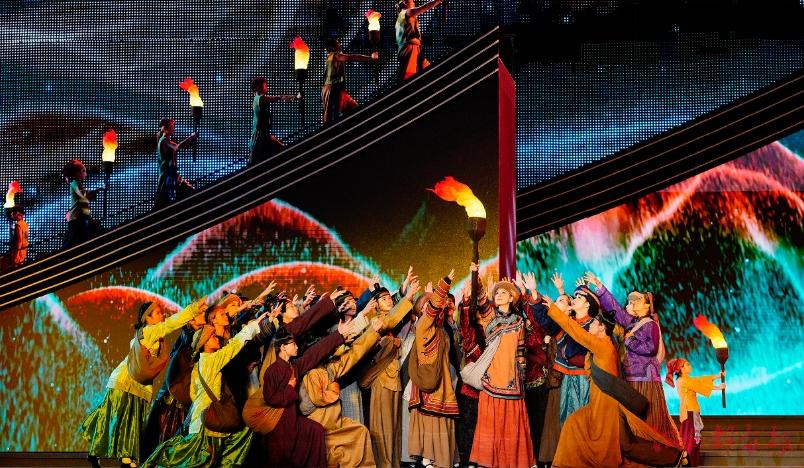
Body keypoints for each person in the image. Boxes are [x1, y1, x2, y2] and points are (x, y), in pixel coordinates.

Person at [530, 271, 683, 468]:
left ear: (601, 328)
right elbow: (614, 312)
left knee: (623, 446)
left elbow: (576, 332)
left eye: (595, 323)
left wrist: (554, 308)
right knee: (577, 424)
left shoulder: (603, 345)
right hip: (599, 404)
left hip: (607, 406)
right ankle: (562, 464)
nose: (591, 324)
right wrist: (597, 287)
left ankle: (673, 457)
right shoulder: (604, 342)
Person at [142, 305, 276, 467]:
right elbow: (235, 345)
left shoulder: (200, 363)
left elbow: (193, 393)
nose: (216, 339)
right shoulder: (211, 360)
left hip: (201, 421)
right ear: (204, 342)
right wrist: (256, 325)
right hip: (206, 426)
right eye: (212, 337)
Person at [80, 298, 207, 468]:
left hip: (137, 385)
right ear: (148, 318)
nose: (162, 315)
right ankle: (123, 457)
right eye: (158, 313)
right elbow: (171, 324)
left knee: (130, 419)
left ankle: (114, 454)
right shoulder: (149, 331)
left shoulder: (153, 336)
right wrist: (193, 309)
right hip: (125, 382)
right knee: (122, 418)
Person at [585, 272, 684, 449]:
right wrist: (599, 286)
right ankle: (642, 453)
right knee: (635, 421)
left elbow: (650, 348)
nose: (633, 303)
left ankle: (664, 452)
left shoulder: (650, 324)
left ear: (647, 306)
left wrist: (629, 340)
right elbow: (616, 310)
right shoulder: (632, 322)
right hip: (632, 378)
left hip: (645, 380)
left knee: (651, 420)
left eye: (638, 300)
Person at [468, 279, 535, 468]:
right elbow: (481, 298)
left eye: (503, 293)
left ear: (511, 298)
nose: (498, 295)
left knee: (512, 424)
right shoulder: (490, 317)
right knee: (490, 424)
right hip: (492, 378)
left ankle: (512, 462)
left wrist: (521, 376)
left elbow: (521, 351)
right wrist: (475, 275)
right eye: (496, 293)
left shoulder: (519, 321)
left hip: (512, 381)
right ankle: (487, 462)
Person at [407, 271, 459, 468]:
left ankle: (438, 459)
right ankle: (430, 459)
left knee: (441, 418)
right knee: (431, 418)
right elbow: (432, 308)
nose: (438, 306)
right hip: (430, 384)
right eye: (429, 305)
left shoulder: (440, 330)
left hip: (443, 381)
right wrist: (444, 284)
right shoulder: (423, 326)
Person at [666, 358, 726, 466]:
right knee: (690, 439)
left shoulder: (686, 379)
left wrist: (717, 376)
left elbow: (699, 380)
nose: (690, 366)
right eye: (687, 365)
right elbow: (698, 385)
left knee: (693, 439)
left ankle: (692, 463)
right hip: (689, 412)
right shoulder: (683, 381)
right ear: (681, 368)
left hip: (692, 411)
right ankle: (687, 464)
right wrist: (718, 387)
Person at [321, 38, 377, 125]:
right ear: (333, 47)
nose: (340, 44)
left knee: (353, 108)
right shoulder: (336, 55)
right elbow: (352, 57)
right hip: (332, 89)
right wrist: (371, 57)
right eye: (337, 43)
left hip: (335, 89)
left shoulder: (329, 57)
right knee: (332, 117)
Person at [249, 77, 297, 165]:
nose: (266, 87)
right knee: (254, 161)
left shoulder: (256, 99)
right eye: (265, 85)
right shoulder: (260, 98)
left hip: (263, 135)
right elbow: (277, 98)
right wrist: (294, 97)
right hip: (260, 136)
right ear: (258, 87)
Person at [395, 0, 444, 81]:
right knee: (408, 76)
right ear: (405, 3)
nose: (414, 3)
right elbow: (425, 7)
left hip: (413, 48)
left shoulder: (401, 16)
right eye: (412, 1)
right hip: (410, 49)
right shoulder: (406, 12)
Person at [153, 118, 196, 210]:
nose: (173, 129)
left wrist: (191, 140)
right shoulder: (163, 141)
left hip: (172, 173)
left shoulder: (166, 140)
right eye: (172, 126)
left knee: (185, 192)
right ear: (166, 128)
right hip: (168, 175)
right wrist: (191, 137)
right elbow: (177, 147)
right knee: (166, 198)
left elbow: (179, 146)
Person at [62, 159, 106, 248]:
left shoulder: (76, 184)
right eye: (83, 171)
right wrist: (101, 189)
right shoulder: (74, 183)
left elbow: (85, 196)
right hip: (77, 217)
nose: (86, 174)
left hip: (80, 216)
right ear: (77, 173)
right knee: (74, 239)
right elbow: (84, 195)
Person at [1, 204, 28, 272]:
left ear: (17, 213)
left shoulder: (18, 225)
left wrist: (16, 254)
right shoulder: (24, 224)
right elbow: (25, 238)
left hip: (18, 251)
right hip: (23, 250)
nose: (11, 214)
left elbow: (20, 240)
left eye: (13, 213)